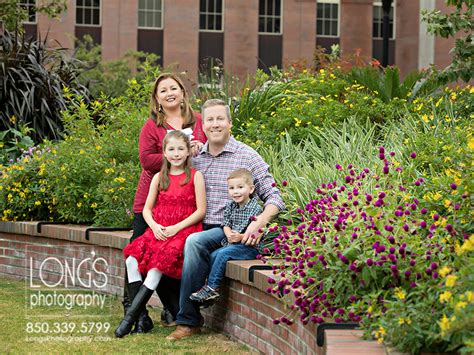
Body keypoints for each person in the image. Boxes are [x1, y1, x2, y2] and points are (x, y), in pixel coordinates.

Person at [166, 99, 285, 341]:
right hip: (197, 223)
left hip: (228, 229)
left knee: (195, 242)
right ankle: (174, 310)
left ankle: (187, 321)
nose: (215, 124)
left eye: (220, 119)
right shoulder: (196, 157)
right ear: (204, 125)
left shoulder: (247, 156)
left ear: (230, 123)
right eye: (209, 119)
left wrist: (260, 221)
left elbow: (275, 197)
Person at [125, 72, 207, 333]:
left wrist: (195, 150)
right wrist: (174, 155)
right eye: (163, 90)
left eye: (174, 88)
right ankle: (135, 313)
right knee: (139, 253)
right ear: (157, 99)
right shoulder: (152, 125)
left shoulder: (198, 122)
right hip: (154, 200)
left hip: (185, 202)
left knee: (170, 256)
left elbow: (207, 154)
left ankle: (171, 308)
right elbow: (145, 160)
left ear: (182, 92)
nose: (169, 93)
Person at [115, 130, 206, 338]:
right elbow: (146, 209)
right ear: (164, 152)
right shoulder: (159, 177)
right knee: (131, 260)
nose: (176, 153)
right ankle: (139, 317)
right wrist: (154, 226)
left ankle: (129, 319)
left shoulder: (195, 176)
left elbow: (201, 211)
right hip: (159, 228)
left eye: (181, 149)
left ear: (188, 152)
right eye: (171, 149)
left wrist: (176, 228)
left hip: (182, 230)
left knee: (157, 266)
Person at [190, 168, 263, 305]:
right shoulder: (230, 206)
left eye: (240, 187)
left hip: (249, 247)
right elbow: (226, 224)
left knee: (223, 254)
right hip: (233, 244)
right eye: (231, 188)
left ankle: (212, 288)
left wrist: (241, 237)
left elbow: (257, 232)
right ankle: (209, 289)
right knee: (213, 255)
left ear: (251, 189)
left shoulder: (256, 208)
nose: (235, 191)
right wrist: (229, 234)